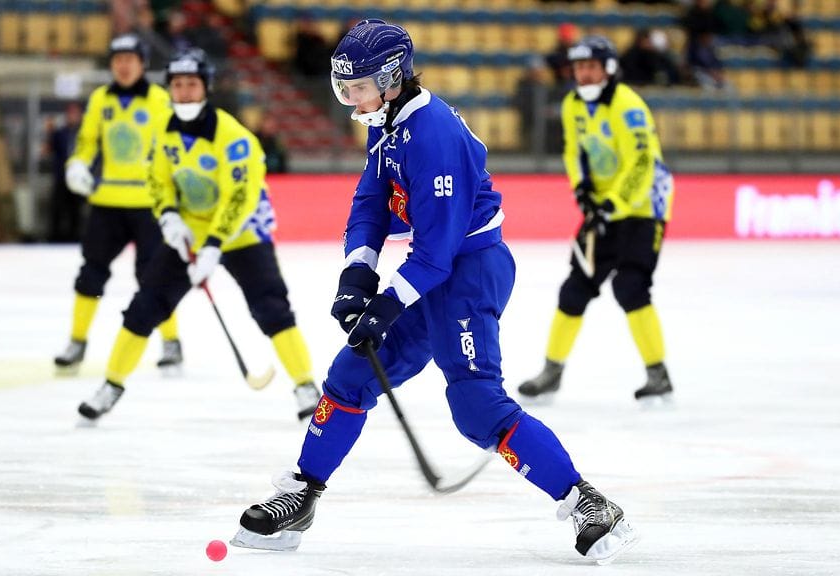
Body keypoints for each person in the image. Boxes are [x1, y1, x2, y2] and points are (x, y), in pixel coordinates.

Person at [231, 20, 638, 565]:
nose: (348, 98)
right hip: (438, 266)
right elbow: (371, 202)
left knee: (476, 407)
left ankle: (587, 501)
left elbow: (437, 252)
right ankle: (303, 492)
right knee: (352, 373)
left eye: (357, 86)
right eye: (343, 86)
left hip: (471, 270)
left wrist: (387, 303)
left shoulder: (434, 137)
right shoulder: (388, 120)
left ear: (393, 78)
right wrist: (357, 277)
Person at [76, 48, 321, 422]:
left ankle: (305, 385)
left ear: (205, 87)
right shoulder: (162, 132)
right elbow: (157, 179)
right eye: (177, 85)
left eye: (192, 84)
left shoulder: (233, 137)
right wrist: (170, 217)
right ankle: (111, 384)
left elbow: (239, 199)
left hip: (241, 232)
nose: (185, 92)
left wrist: (213, 246)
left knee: (271, 307)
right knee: (145, 306)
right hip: (189, 232)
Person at [518, 36, 675, 403]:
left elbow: (642, 165)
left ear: (608, 69)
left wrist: (613, 204)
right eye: (578, 68)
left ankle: (658, 374)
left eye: (590, 67)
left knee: (631, 287)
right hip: (604, 206)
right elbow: (574, 151)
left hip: (643, 209)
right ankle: (551, 372)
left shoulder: (629, 107)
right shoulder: (573, 104)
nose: (583, 75)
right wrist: (582, 190)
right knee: (575, 288)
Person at [53, 34, 184, 374]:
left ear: (142, 63)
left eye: (130, 60)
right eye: (117, 60)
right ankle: (77, 341)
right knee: (90, 273)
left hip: (148, 203)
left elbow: (173, 145)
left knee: (154, 275)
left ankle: (171, 341)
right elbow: (86, 142)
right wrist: (77, 165)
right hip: (107, 202)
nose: (123, 66)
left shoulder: (159, 99)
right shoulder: (100, 99)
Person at [47, 102, 85, 243]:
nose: (73, 117)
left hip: (77, 178)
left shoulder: (83, 134)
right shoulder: (59, 133)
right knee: (57, 208)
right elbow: (50, 149)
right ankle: (55, 237)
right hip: (61, 177)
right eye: (70, 114)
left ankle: (74, 237)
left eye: (75, 114)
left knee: (75, 210)